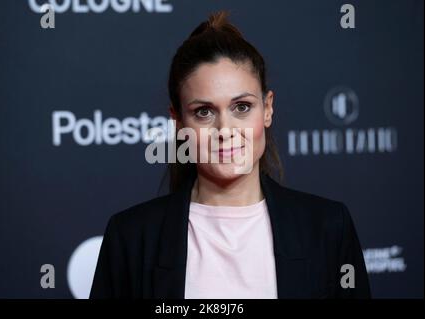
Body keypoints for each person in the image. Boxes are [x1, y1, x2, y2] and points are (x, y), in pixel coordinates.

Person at [89, 11, 371, 299]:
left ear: (268, 108)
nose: (225, 129)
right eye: (204, 112)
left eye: (242, 107)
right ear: (178, 122)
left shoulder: (328, 228)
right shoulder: (130, 239)